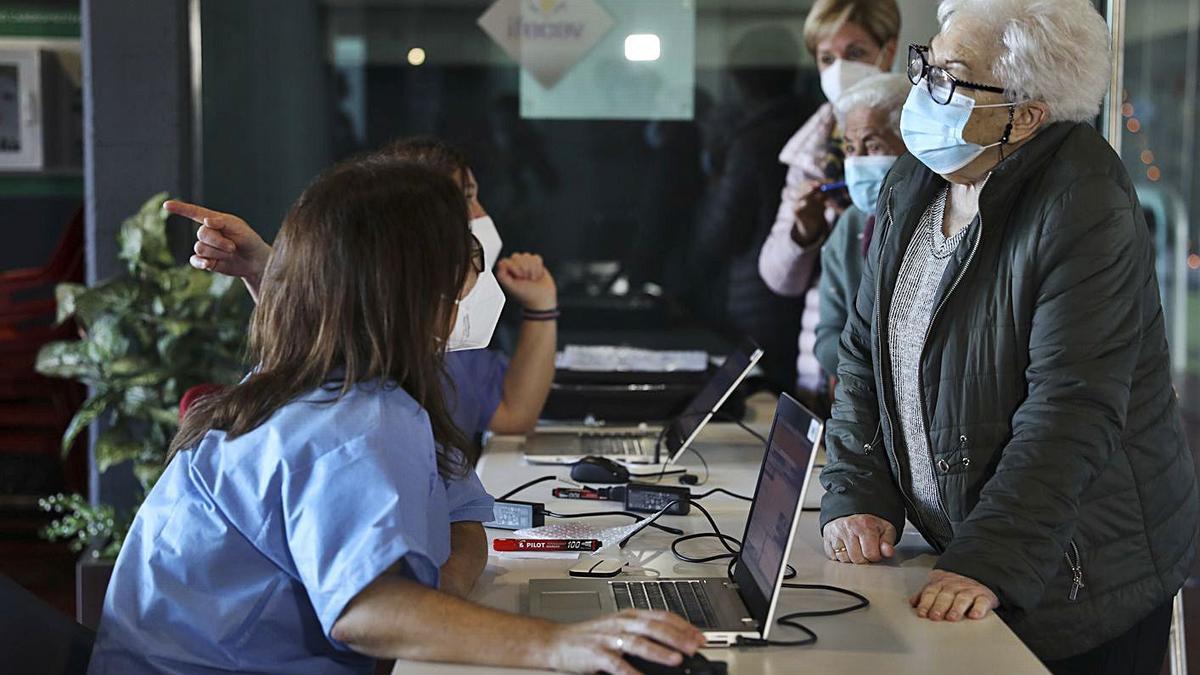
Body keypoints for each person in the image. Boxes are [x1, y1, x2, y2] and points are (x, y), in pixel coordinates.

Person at [87, 160, 704, 674]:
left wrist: (440, 600)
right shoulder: (343, 423)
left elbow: (463, 520)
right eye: (455, 285)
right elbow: (368, 612)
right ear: (412, 295)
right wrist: (558, 642)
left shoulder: (377, 392)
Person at [818, 1, 1199, 673]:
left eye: (951, 76)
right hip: (961, 550)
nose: (924, 88)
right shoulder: (917, 178)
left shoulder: (1085, 203)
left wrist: (988, 561)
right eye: (926, 63)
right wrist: (858, 494)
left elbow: (1069, 412)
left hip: (1078, 574)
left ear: (1026, 115)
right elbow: (861, 354)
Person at [167, 137, 557, 440]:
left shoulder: (433, 350)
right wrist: (266, 272)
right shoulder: (359, 421)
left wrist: (265, 272)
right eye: (465, 200)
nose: (479, 217)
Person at [758, 0, 900, 407]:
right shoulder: (811, 149)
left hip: (893, 375)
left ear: (887, 51)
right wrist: (804, 232)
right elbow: (776, 277)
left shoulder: (915, 132)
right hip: (821, 358)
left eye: (855, 54)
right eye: (826, 58)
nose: (839, 69)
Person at [689, 26, 810, 392]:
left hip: (755, 302)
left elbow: (722, 230)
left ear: (739, 80)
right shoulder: (810, 126)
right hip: (799, 303)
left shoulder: (751, 141)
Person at [815, 73, 910, 383]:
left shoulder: (940, 225)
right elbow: (827, 336)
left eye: (873, 146)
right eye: (851, 148)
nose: (856, 162)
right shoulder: (852, 223)